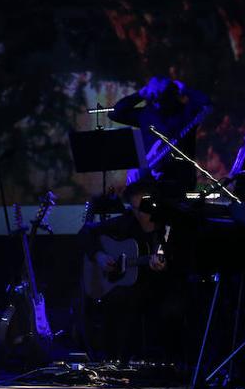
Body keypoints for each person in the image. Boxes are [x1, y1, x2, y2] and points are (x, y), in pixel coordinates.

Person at [78, 179, 185, 365]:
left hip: (164, 288)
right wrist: (100, 256)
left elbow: (171, 256)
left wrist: (163, 262)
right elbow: (86, 232)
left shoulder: (168, 226)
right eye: (134, 208)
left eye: (143, 207)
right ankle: (115, 361)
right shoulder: (127, 221)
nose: (140, 214)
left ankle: (170, 363)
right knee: (118, 298)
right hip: (133, 290)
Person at [109, 75, 212, 196]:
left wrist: (185, 89)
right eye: (153, 96)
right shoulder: (146, 114)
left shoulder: (185, 113)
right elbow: (115, 113)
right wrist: (139, 95)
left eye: (160, 95)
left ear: (171, 94)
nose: (156, 101)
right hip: (148, 178)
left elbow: (206, 103)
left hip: (179, 177)